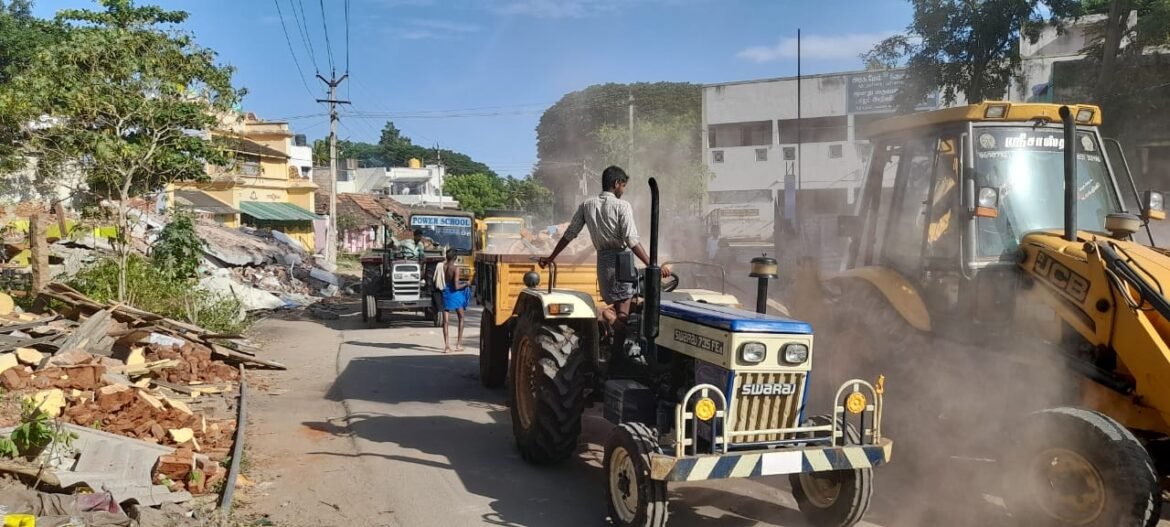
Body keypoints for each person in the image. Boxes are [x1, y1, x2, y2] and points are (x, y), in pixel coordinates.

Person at [540, 165, 671, 344]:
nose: (623, 190)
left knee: (624, 303)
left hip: (603, 264)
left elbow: (570, 234)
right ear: (617, 183)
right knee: (623, 314)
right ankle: (613, 339)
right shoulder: (622, 206)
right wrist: (652, 265)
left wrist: (551, 257)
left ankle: (610, 325)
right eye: (623, 186)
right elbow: (631, 240)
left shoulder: (587, 205)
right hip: (621, 262)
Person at [435, 249, 470, 353]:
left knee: (445, 321)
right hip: (454, 295)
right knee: (461, 317)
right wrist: (466, 284)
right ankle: (459, 344)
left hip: (445, 293)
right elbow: (456, 287)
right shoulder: (455, 269)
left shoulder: (442, 266)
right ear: (455, 258)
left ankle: (446, 346)